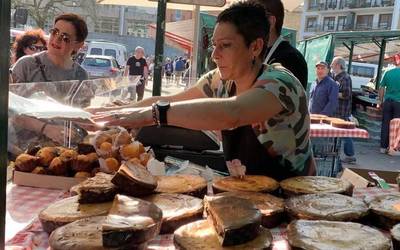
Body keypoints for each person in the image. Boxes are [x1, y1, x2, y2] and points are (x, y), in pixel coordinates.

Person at [92, 2, 315, 181]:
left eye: (225, 45)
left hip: (293, 201)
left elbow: (233, 112)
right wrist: (117, 112)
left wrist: (152, 115)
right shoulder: (219, 80)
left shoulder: (280, 82)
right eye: (214, 45)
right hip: (246, 194)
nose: (214, 55)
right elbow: (171, 99)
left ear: (255, 47)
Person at [11, 13, 88, 83]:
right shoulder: (26, 65)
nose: (56, 39)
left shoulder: (81, 75)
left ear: (78, 45)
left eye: (65, 37)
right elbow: (10, 96)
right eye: (55, 32)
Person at [250, 0, 308, 90]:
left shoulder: (291, 59)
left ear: (270, 22)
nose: (243, 25)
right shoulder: (256, 53)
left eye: (249, 18)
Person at [331, 56, 356, 163]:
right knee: (338, 134)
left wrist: (331, 92)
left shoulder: (345, 77)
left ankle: (350, 156)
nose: (331, 66)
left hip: (342, 111)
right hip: (336, 110)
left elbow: (346, 94)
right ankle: (336, 153)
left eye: (333, 64)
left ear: (338, 65)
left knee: (344, 133)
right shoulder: (335, 76)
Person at [378, 62, 400, 155]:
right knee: (397, 127)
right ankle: (393, 149)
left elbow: (382, 87)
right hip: (398, 103)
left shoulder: (388, 72)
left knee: (385, 124)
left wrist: (380, 100)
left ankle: (383, 147)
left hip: (387, 102)